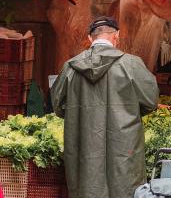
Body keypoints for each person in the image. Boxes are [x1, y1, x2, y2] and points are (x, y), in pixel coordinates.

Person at [51, 17, 159, 198]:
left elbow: (58, 106)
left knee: (86, 188)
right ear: (117, 36)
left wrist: (79, 115)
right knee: (125, 189)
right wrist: (129, 112)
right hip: (125, 147)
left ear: (90, 37)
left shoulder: (70, 67)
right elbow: (150, 102)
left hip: (83, 145)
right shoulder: (132, 65)